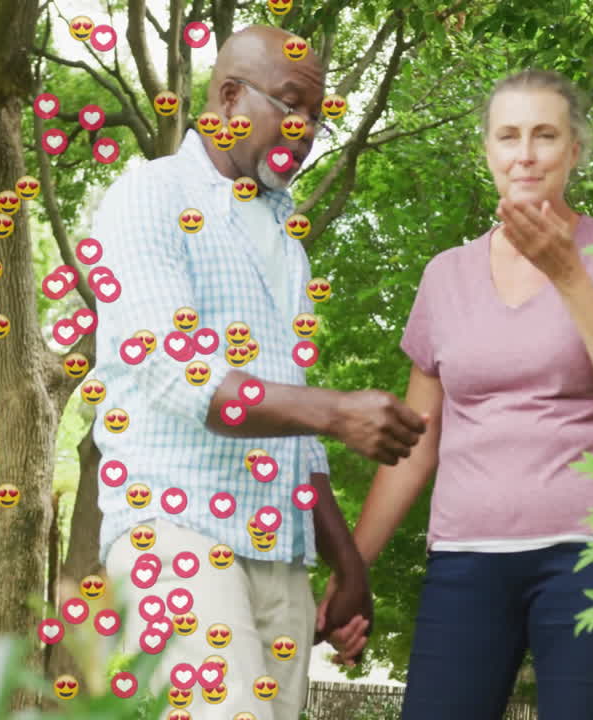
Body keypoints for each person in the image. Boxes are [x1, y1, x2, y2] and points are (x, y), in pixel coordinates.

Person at [89, 25, 423, 720]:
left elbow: (295, 430)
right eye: (292, 105)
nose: (304, 131)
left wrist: (347, 564)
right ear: (230, 97)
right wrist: (336, 411)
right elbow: (179, 374)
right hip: (172, 524)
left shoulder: (285, 244)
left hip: (277, 544)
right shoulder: (146, 198)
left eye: (318, 118)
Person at [320, 69, 593, 719]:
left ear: (574, 151)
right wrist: (352, 571)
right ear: (488, 150)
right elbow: (415, 445)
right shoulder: (445, 277)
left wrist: (571, 279)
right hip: (466, 557)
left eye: (545, 135)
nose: (526, 153)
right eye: (508, 136)